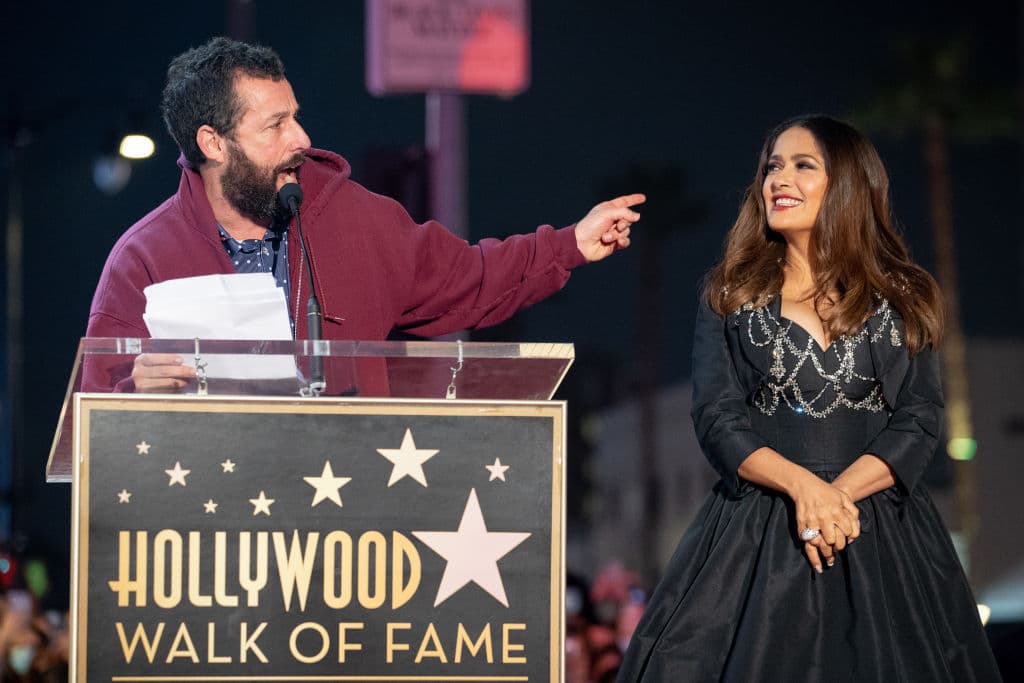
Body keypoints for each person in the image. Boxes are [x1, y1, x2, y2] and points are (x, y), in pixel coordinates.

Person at [617, 116, 1001, 681]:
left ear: (847, 184)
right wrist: (802, 488)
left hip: (879, 531)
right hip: (758, 527)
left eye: (802, 165)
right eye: (772, 166)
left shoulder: (906, 294)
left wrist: (835, 498)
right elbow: (716, 418)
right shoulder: (730, 292)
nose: (779, 179)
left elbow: (920, 419)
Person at [85, 37, 643, 393]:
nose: (301, 138)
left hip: (349, 521)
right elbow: (96, 408)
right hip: (214, 540)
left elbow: (471, 278)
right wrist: (131, 389)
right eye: (275, 125)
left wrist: (571, 243)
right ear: (213, 143)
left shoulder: (355, 220)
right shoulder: (143, 258)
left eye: (296, 117)